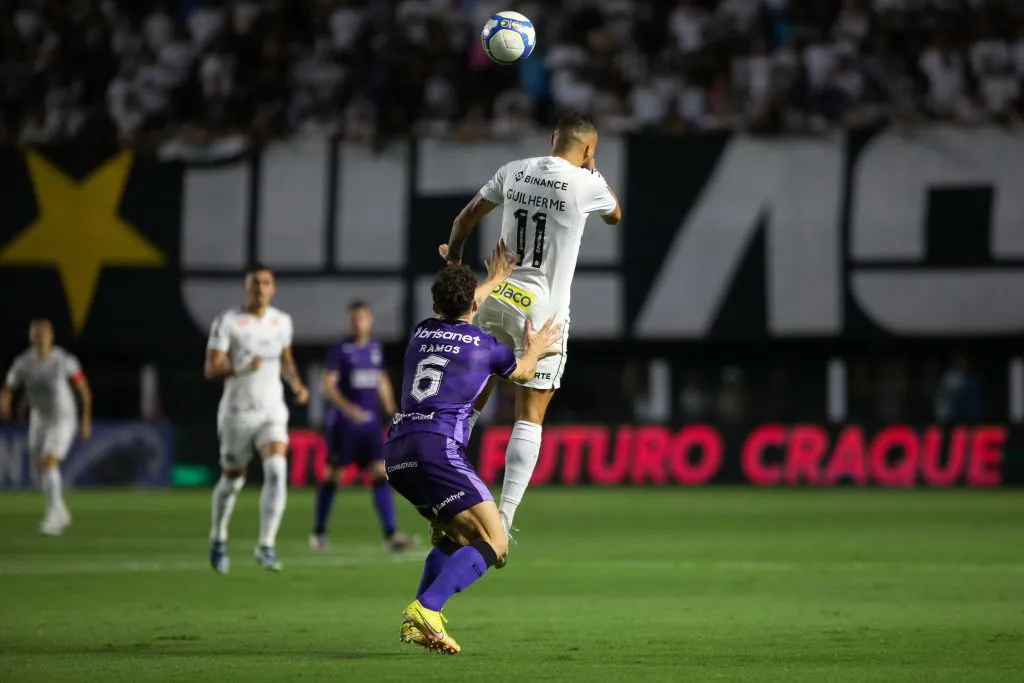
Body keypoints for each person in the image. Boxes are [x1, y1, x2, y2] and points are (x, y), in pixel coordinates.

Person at [439, 113, 622, 549]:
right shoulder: (586, 183)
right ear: (589, 149)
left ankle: (447, 496)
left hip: (498, 296)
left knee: (471, 401)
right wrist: (594, 171)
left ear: (551, 140)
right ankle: (503, 520)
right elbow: (615, 215)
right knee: (529, 414)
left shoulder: (513, 170)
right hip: (542, 314)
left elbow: (464, 220)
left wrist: (456, 264)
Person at [387, 242, 562, 654]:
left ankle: (418, 624)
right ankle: (427, 608)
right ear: (473, 304)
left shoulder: (421, 331)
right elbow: (521, 373)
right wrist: (534, 349)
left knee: (458, 538)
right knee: (495, 543)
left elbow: (460, 305)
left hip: (397, 452)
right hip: (437, 449)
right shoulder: (486, 346)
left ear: (435, 303)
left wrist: (493, 280)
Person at [204, 264, 309, 573]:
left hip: (272, 411)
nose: (260, 289)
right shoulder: (228, 323)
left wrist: (297, 384)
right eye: (254, 284)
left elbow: (285, 359)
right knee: (232, 481)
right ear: (245, 288)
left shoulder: (281, 322)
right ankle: (218, 536)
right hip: (237, 413)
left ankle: (266, 545)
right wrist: (239, 367)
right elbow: (211, 369)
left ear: (272, 288)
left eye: (265, 283)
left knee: (277, 469)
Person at [310, 301, 417, 552]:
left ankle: (391, 534)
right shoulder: (341, 350)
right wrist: (349, 409)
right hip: (343, 425)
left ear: (370, 321)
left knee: (380, 472)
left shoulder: (375, 348)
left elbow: (380, 379)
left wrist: (391, 407)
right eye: (354, 319)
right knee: (333, 475)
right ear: (350, 321)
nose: (358, 323)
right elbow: (327, 384)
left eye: (362, 318)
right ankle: (318, 533)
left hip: (370, 427)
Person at [0, 319, 92, 536]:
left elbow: (84, 390)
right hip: (39, 419)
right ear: (31, 337)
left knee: (49, 462)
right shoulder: (23, 363)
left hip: (64, 418)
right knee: (40, 469)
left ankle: (54, 516)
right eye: (36, 333)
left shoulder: (64, 361)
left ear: (52, 337)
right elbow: (9, 386)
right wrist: (5, 402)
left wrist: (86, 419)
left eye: (43, 333)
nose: (40, 336)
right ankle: (60, 510)